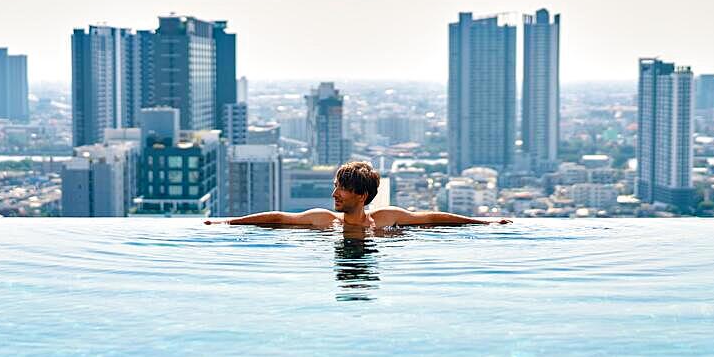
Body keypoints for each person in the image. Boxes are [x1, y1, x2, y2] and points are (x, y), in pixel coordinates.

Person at [205, 161, 511, 228]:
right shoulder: (324, 221)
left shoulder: (386, 218)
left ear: (362, 196)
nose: (335, 193)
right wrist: (227, 223)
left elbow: (433, 218)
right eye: (336, 186)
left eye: (343, 188)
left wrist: (484, 224)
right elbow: (277, 217)